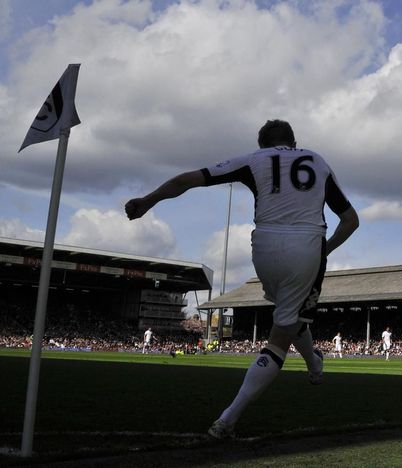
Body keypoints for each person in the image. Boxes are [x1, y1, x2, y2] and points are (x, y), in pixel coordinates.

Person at [125, 119, 358, 439]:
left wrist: (148, 201)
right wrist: (324, 251)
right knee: (282, 331)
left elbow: (187, 179)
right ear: (294, 141)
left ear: (262, 144)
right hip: (306, 246)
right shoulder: (317, 161)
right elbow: (350, 220)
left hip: (264, 247)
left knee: (288, 316)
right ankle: (228, 419)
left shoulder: (253, 159)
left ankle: (314, 362)